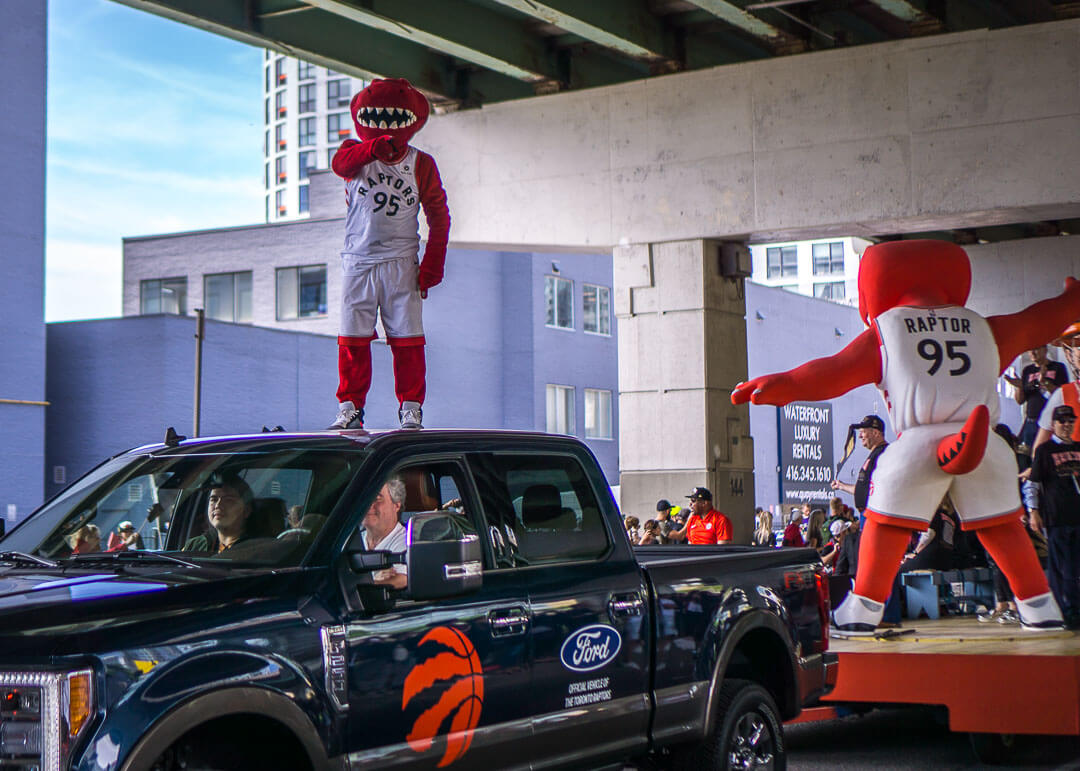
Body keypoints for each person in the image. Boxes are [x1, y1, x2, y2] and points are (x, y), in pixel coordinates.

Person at [328, 79, 451, 431]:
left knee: (408, 339)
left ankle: (410, 407)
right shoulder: (354, 152)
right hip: (358, 260)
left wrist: (433, 263)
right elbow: (341, 165)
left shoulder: (421, 163)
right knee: (351, 338)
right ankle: (350, 406)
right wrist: (374, 149)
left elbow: (438, 214)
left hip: (401, 261)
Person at [1027, 404, 1080, 628]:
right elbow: (1034, 483)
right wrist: (1033, 511)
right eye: (1062, 421)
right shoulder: (1045, 450)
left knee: (1076, 567)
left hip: (1078, 517)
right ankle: (1067, 611)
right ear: (1054, 424)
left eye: (1070, 420)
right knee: (1061, 568)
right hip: (1057, 518)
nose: (1066, 425)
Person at [1004, 345, 1067, 463]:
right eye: (1029, 350)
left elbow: (1062, 394)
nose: (1032, 353)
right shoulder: (1028, 370)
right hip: (1031, 421)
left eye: (1036, 349)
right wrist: (1019, 387)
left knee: (1047, 456)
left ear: (1045, 350)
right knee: (1024, 456)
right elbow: (1020, 400)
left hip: (1051, 422)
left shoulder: (1058, 367)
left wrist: (1045, 382)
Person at [831, 415, 889, 523]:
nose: (860, 436)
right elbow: (863, 489)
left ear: (875, 433)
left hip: (875, 514)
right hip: (867, 514)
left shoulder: (883, 454)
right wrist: (841, 486)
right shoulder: (874, 454)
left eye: (863, 432)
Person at [184, 477, 257, 554]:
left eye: (228, 500)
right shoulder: (196, 545)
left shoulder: (258, 549)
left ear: (246, 510)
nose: (218, 505)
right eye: (214, 499)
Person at [361, 477, 409, 589]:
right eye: (365, 498)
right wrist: (374, 580)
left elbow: (403, 579)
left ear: (396, 505)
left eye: (377, 498)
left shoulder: (405, 542)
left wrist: (366, 586)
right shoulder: (349, 541)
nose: (368, 504)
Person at [668, 488, 732, 545]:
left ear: (704, 503)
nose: (690, 504)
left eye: (693, 501)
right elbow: (690, 543)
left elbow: (722, 550)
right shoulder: (692, 519)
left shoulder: (720, 520)